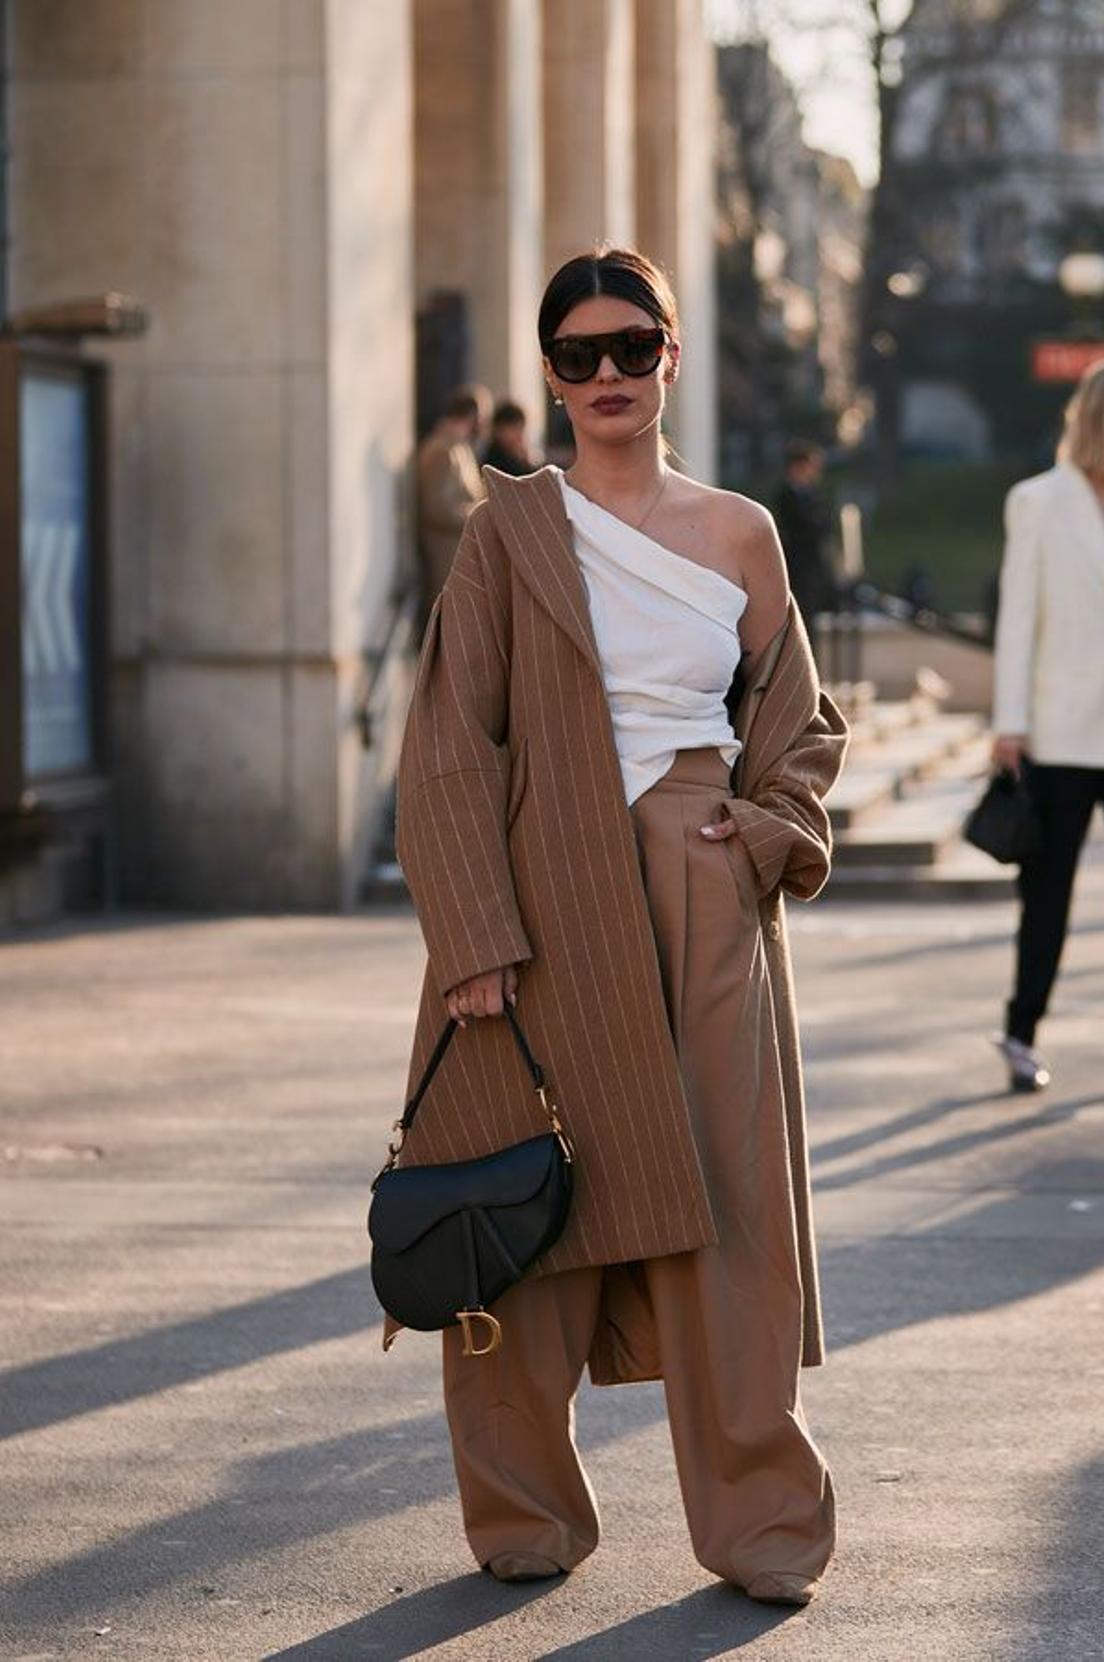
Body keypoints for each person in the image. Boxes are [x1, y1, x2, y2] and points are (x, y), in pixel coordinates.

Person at [393, 246, 849, 1605]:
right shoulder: (507, 532)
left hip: (700, 888)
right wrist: (471, 935)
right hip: (535, 894)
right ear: (549, 370)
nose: (605, 376)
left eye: (630, 349)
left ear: (669, 355)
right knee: (516, 1199)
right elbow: (450, 744)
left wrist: (764, 832)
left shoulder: (741, 531)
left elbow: (801, 722)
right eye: (578, 354)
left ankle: (763, 1519)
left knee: (728, 1207)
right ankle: (522, 1508)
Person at [990, 356, 1104, 1094]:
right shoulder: (1036, 501)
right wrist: (1010, 722)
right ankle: (1020, 1029)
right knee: (1049, 892)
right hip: (1060, 731)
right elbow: (1018, 618)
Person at [414, 384, 491, 639]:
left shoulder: (461, 448)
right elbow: (438, 508)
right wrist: (482, 513)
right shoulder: (441, 450)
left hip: (463, 559)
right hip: (446, 560)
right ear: (471, 416)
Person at [772, 440, 835, 634]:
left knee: (812, 621)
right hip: (797, 568)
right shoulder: (786, 497)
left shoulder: (813, 496)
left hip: (812, 567)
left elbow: (825, 524)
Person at [481, 398, 538, 476]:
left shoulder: (516, 456)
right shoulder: (494, 460)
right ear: (499, 430)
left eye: (521, 429)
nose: (519, 435)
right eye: (515, 429)